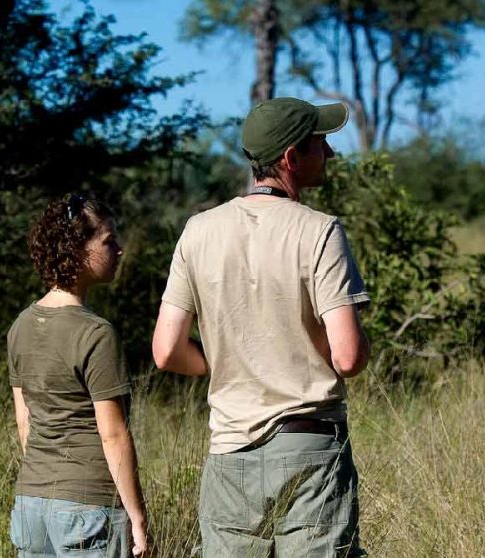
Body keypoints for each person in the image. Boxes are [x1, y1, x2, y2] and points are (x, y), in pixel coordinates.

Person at [152, 97, 370, 557]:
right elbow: (349, 358)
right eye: (320, 143)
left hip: (230, 453)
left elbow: (166, 350)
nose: (329, 153)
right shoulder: (321, 231)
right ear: (291, 158)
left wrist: (227, 363)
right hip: (309, 450)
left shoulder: (198, 230)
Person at [8, 194, 149, 557]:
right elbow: (113, 435)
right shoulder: (96, 334)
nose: (119, 250)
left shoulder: (20, 326)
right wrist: (138, 518)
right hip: (88, 510)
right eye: (108, 241)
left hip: (31, 506)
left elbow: (25, 423)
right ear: (76, 249)